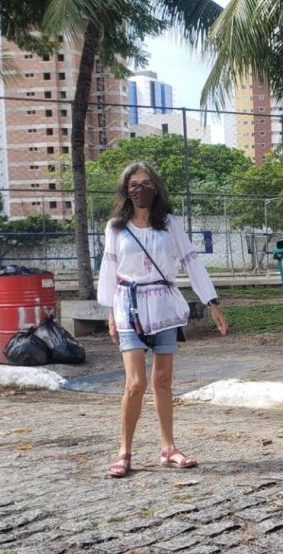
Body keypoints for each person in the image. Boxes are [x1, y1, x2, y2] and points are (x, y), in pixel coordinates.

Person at [96, 163, 229, 478]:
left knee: (163, 381)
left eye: (146, 183)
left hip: (164, 307)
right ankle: (124, 451)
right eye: (133, 185)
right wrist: (110, 312)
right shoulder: (116, 227)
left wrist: (212, 302)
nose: (140, 190)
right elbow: (109, 270)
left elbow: (191, 262)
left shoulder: (170, 224)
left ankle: (168, 448)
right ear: (125, 190)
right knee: (135, 383)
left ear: (155, 188)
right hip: (129, 308)